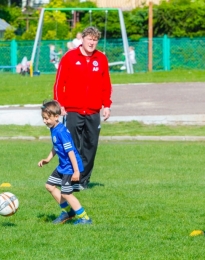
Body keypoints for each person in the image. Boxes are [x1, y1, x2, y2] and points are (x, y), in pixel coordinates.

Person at [53, 26, 112, 190]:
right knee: (72, 146)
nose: (92, 42)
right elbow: (59, 83)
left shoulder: (101, 58)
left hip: (93, 111)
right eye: (89, 39)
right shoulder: (69, 57)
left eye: (95, 40)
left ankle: (83, 182)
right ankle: (70, 179)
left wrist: (106, 105)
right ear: (83, 39)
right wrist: (60, 104)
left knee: (90, 146)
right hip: (72, 110)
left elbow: (105, 84)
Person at [37, 100, 92, 225]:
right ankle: (68, 212)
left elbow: (71, 152)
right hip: (63, 166)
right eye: (43, 118)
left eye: (47, 118)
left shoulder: (61, 132)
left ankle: (85, 218)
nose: (45, 121)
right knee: (50, 186)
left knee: (66, 194)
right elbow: (56, 146)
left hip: (70, 167)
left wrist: (76, 171)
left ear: (56, 117)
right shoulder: (53, 128)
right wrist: (48, 159)